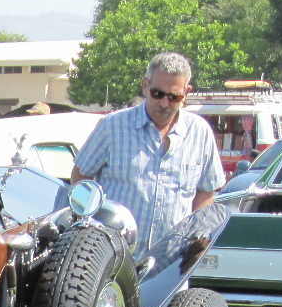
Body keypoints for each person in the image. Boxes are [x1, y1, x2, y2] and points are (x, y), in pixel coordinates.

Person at [70, 51, 223, 254]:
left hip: (170, 264)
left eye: (174, 96)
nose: (164, 103)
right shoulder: (113, 126)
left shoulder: (200, 132)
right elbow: (80, 175)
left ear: (186, 92)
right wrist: (88, 225)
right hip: (114, 258)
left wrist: (197, 236)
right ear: (145, 86)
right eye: (158, 94)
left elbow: (206, 191)